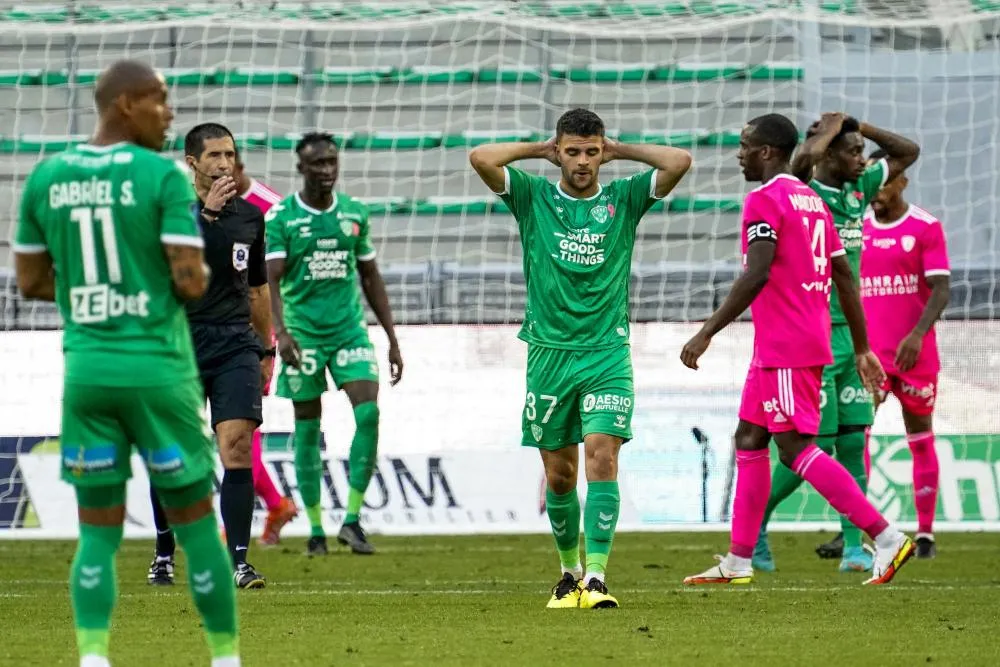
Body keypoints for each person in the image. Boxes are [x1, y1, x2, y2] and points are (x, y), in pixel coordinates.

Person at [14, 59, 240, 667]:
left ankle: (92, 656)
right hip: (157, 375)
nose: (169, 115)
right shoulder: (160, 178)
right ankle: (224, 657)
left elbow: (30, 281)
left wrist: (92, 284)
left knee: (98, 533)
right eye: (161, 101)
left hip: (87, 375)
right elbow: (191, 282)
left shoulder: (47, 176)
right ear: (126, 104)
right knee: (196, 529)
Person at [469, 107, 693, 609]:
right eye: (573, 151)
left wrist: (622, 150)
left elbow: (679, 160)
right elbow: (481, 157)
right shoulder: (533, 197)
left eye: (592, 152)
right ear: (559, 151)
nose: (584, 161)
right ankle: (568, 572)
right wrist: (537, 150)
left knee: (603, 454)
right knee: (560, 475)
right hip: (548, 355)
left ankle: (597, 578)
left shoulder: (624, 198)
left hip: (607, 352)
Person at [680, 113, 914, 587]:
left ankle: (886, 537)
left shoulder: (765, 199)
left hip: (788, 344)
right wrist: (863, 346)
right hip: (783, 344)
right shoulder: (812, 201)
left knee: (796, 449)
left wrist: (707, 331)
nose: (739, 153)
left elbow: (757, 272)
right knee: (749, 439)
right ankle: (739, 559)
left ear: (767, 152)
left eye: (745, 145)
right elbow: (844, 274)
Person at [753, 113, 920, 572]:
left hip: (851, 336)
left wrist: (860, 127)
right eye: (852, 153)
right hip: (811, 336)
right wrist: (827, 134)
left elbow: (908, 152)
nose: (863, 161)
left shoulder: (858, 189)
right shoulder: (804, 190)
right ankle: (755, 528)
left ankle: (854, 547)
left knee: (852, 441)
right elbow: (802, 160)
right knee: (813, 447)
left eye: (862, 153)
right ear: (827, 153)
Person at [265, 132, 403, 556]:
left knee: (370, 413)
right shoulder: (282, 217)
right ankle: (314, 528)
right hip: (303, 335)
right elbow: (270, 278)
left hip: (348, 330)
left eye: (331, 162)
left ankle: (352, 520)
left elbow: (370, 276)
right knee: (308, 427)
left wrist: (392, 338)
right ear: (301, 168)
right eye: (318, 164)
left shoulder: (354, 214)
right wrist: (281, 333)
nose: (327, 170)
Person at [146, 123, 271, 589]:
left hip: (235, 342)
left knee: (236, 447)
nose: (225, 164)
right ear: (191, 162)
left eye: (231, 154)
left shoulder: (251, 218)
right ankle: (164, 552)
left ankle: (239, 561)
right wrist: (206, 217)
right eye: (215, 155)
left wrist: (267, 349)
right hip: (178, 343)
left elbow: (257, 289)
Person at [861, 149, 950, 559]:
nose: (876, 189)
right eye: (870, 179)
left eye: (884, 179)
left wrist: (916, 335)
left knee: (919, 437)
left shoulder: (926, 227)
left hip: (915, 356)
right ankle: (859, 530)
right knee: (856, 436)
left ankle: (926, 533)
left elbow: (942, 288)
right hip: (872, 358)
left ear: (902, 182)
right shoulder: (856, 228)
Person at [232, 157, 300, 547]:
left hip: (256, 329)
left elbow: (281, 275)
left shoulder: (270, 208)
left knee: (238, 428)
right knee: (234, 429)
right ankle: (274, 504)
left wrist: (275, 334)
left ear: (238, 166)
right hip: (217, 327)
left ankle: (264, 507)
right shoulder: (211, 205)